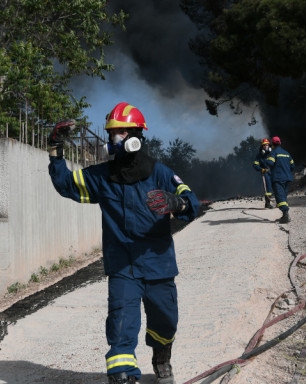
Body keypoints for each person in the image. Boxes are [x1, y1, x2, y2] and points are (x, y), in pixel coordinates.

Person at [47, 102, 200, 384]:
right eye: (111, 134)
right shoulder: (102, 176)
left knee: (165, 323)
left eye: (118, 133)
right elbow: (65, 184)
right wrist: (55, 148)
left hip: (158, 264)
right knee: (120, 333)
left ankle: (161, 358)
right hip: (122, 267)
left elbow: (193, 203)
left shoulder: (160, 173)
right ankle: (123, 376)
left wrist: (175, 202)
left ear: (135, 136)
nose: (112, 140)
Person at [265, 136, 295, 223]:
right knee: (284, 196)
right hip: (287, 178)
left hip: (278, 179)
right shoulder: (287, 153)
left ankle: (285, 215)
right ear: (280, 143)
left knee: (280, 196)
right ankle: (284, 215)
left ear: (272, 144)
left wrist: (267, 158)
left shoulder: (273, 153)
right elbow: (292, 166)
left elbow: (270, 163)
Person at [252, 138, 274, 208]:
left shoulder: (272, 153)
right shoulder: (259, 156)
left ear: (269, 146)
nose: (266, 146)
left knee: (277, 187)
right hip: (266, 173)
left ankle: (280, 202)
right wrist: (261, 169)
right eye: (264, 145)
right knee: (268, 189)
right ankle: (267, 203)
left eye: (267, 145)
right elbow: (255, 165)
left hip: (274, 172)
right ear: (262, 147)